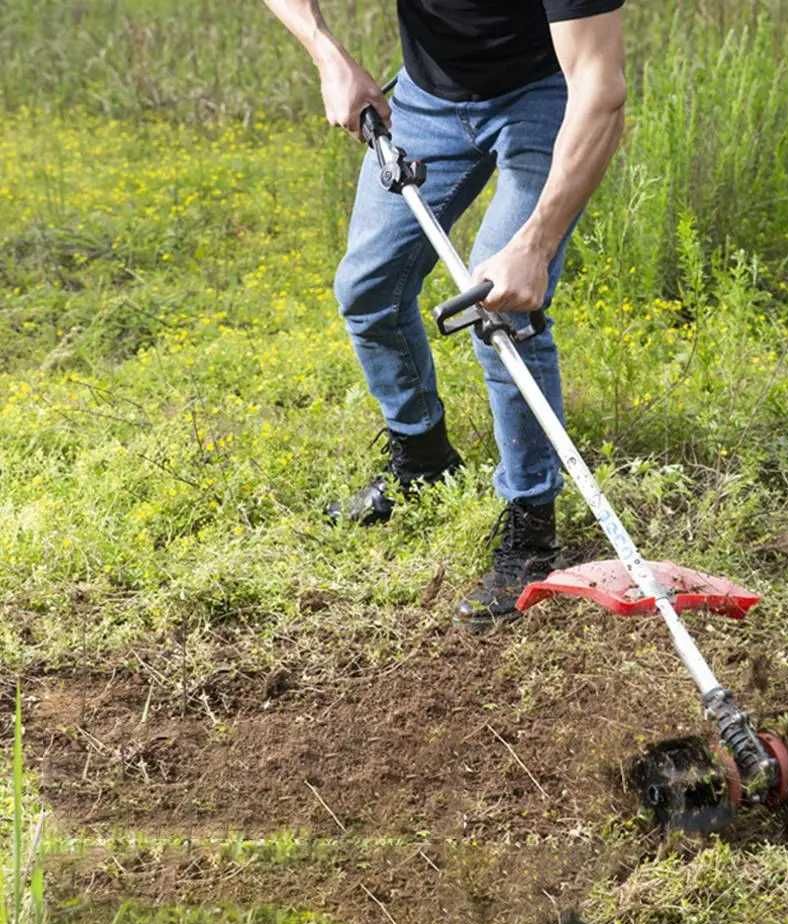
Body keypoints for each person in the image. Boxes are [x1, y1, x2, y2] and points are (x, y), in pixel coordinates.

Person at [264, 0, 626, 627]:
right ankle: (422, 460)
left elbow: (600, 89)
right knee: (367, 288)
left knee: (501, 310)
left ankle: (531, 529)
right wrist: (328, 53)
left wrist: (534, 246)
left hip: (543, 99)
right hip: (426, 101)